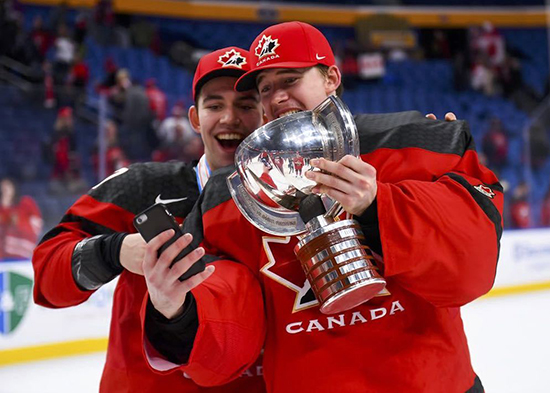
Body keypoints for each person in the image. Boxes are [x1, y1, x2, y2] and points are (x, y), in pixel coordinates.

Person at [142, 22, 503, 393]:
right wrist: (176, 311)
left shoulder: (414, 144)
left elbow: (470, 267)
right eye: (265, 88)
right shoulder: (227, 195)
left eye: (290, 79)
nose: (276, 96)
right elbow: (232, 333)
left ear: (331, 77)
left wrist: (379, 205)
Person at [32, 47, 266, 392]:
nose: (230, 118)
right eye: (215, 105)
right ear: (195, 118)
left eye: (246, 106)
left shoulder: (291, 199)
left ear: (267, 116)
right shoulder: (143, 186)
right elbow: (48, 272)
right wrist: (115, 251)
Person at [0, 177, 43, 261]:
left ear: (14, 187)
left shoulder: (26, 203)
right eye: (2, 187)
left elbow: (37, 225)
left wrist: (19, 222)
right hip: (2, 257)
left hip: (23, 255)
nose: (4, 189)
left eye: (7, 186)